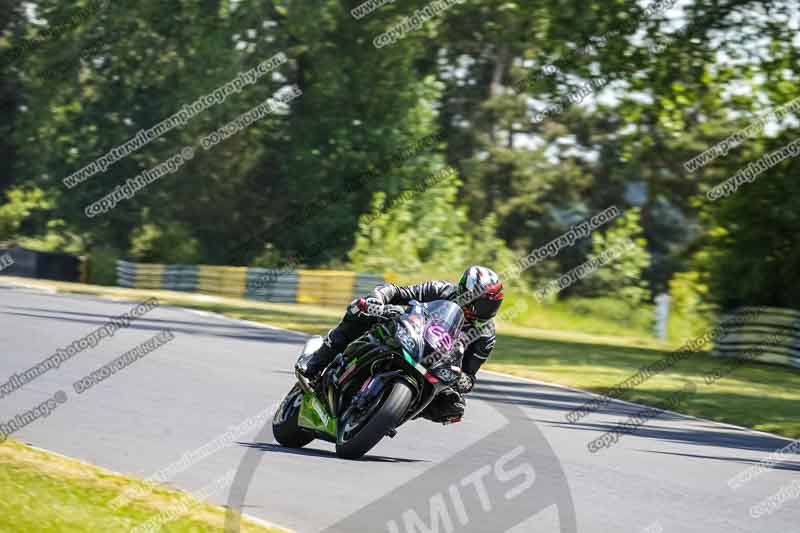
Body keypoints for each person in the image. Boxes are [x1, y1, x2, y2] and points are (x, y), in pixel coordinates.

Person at [297, 266, 504, 423]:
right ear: (464, 292)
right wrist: (377, 299)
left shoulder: (486, 334)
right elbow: (398, 292)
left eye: (493, 305)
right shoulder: (440, 290)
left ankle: (387, 414)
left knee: (453, 405)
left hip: (434, 364)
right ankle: (316, 363)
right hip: (409, 334)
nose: (487, 310)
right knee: (359, 311)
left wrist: (465, 381)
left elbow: (469, 373)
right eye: (484, 303)